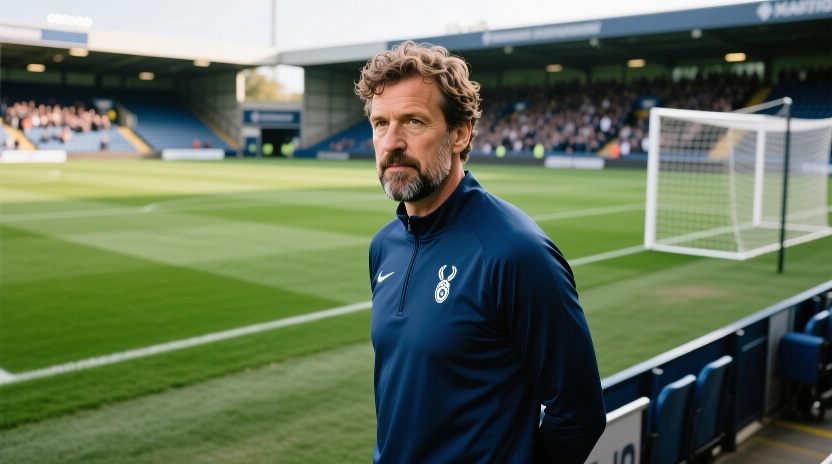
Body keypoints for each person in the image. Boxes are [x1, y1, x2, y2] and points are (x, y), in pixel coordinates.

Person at [357, 41, 606, 464]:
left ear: (460, 133)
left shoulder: (515, 252)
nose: (392, 142)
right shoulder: (384, 246)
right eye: (381, 124)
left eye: (413, 121)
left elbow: (579, 414)